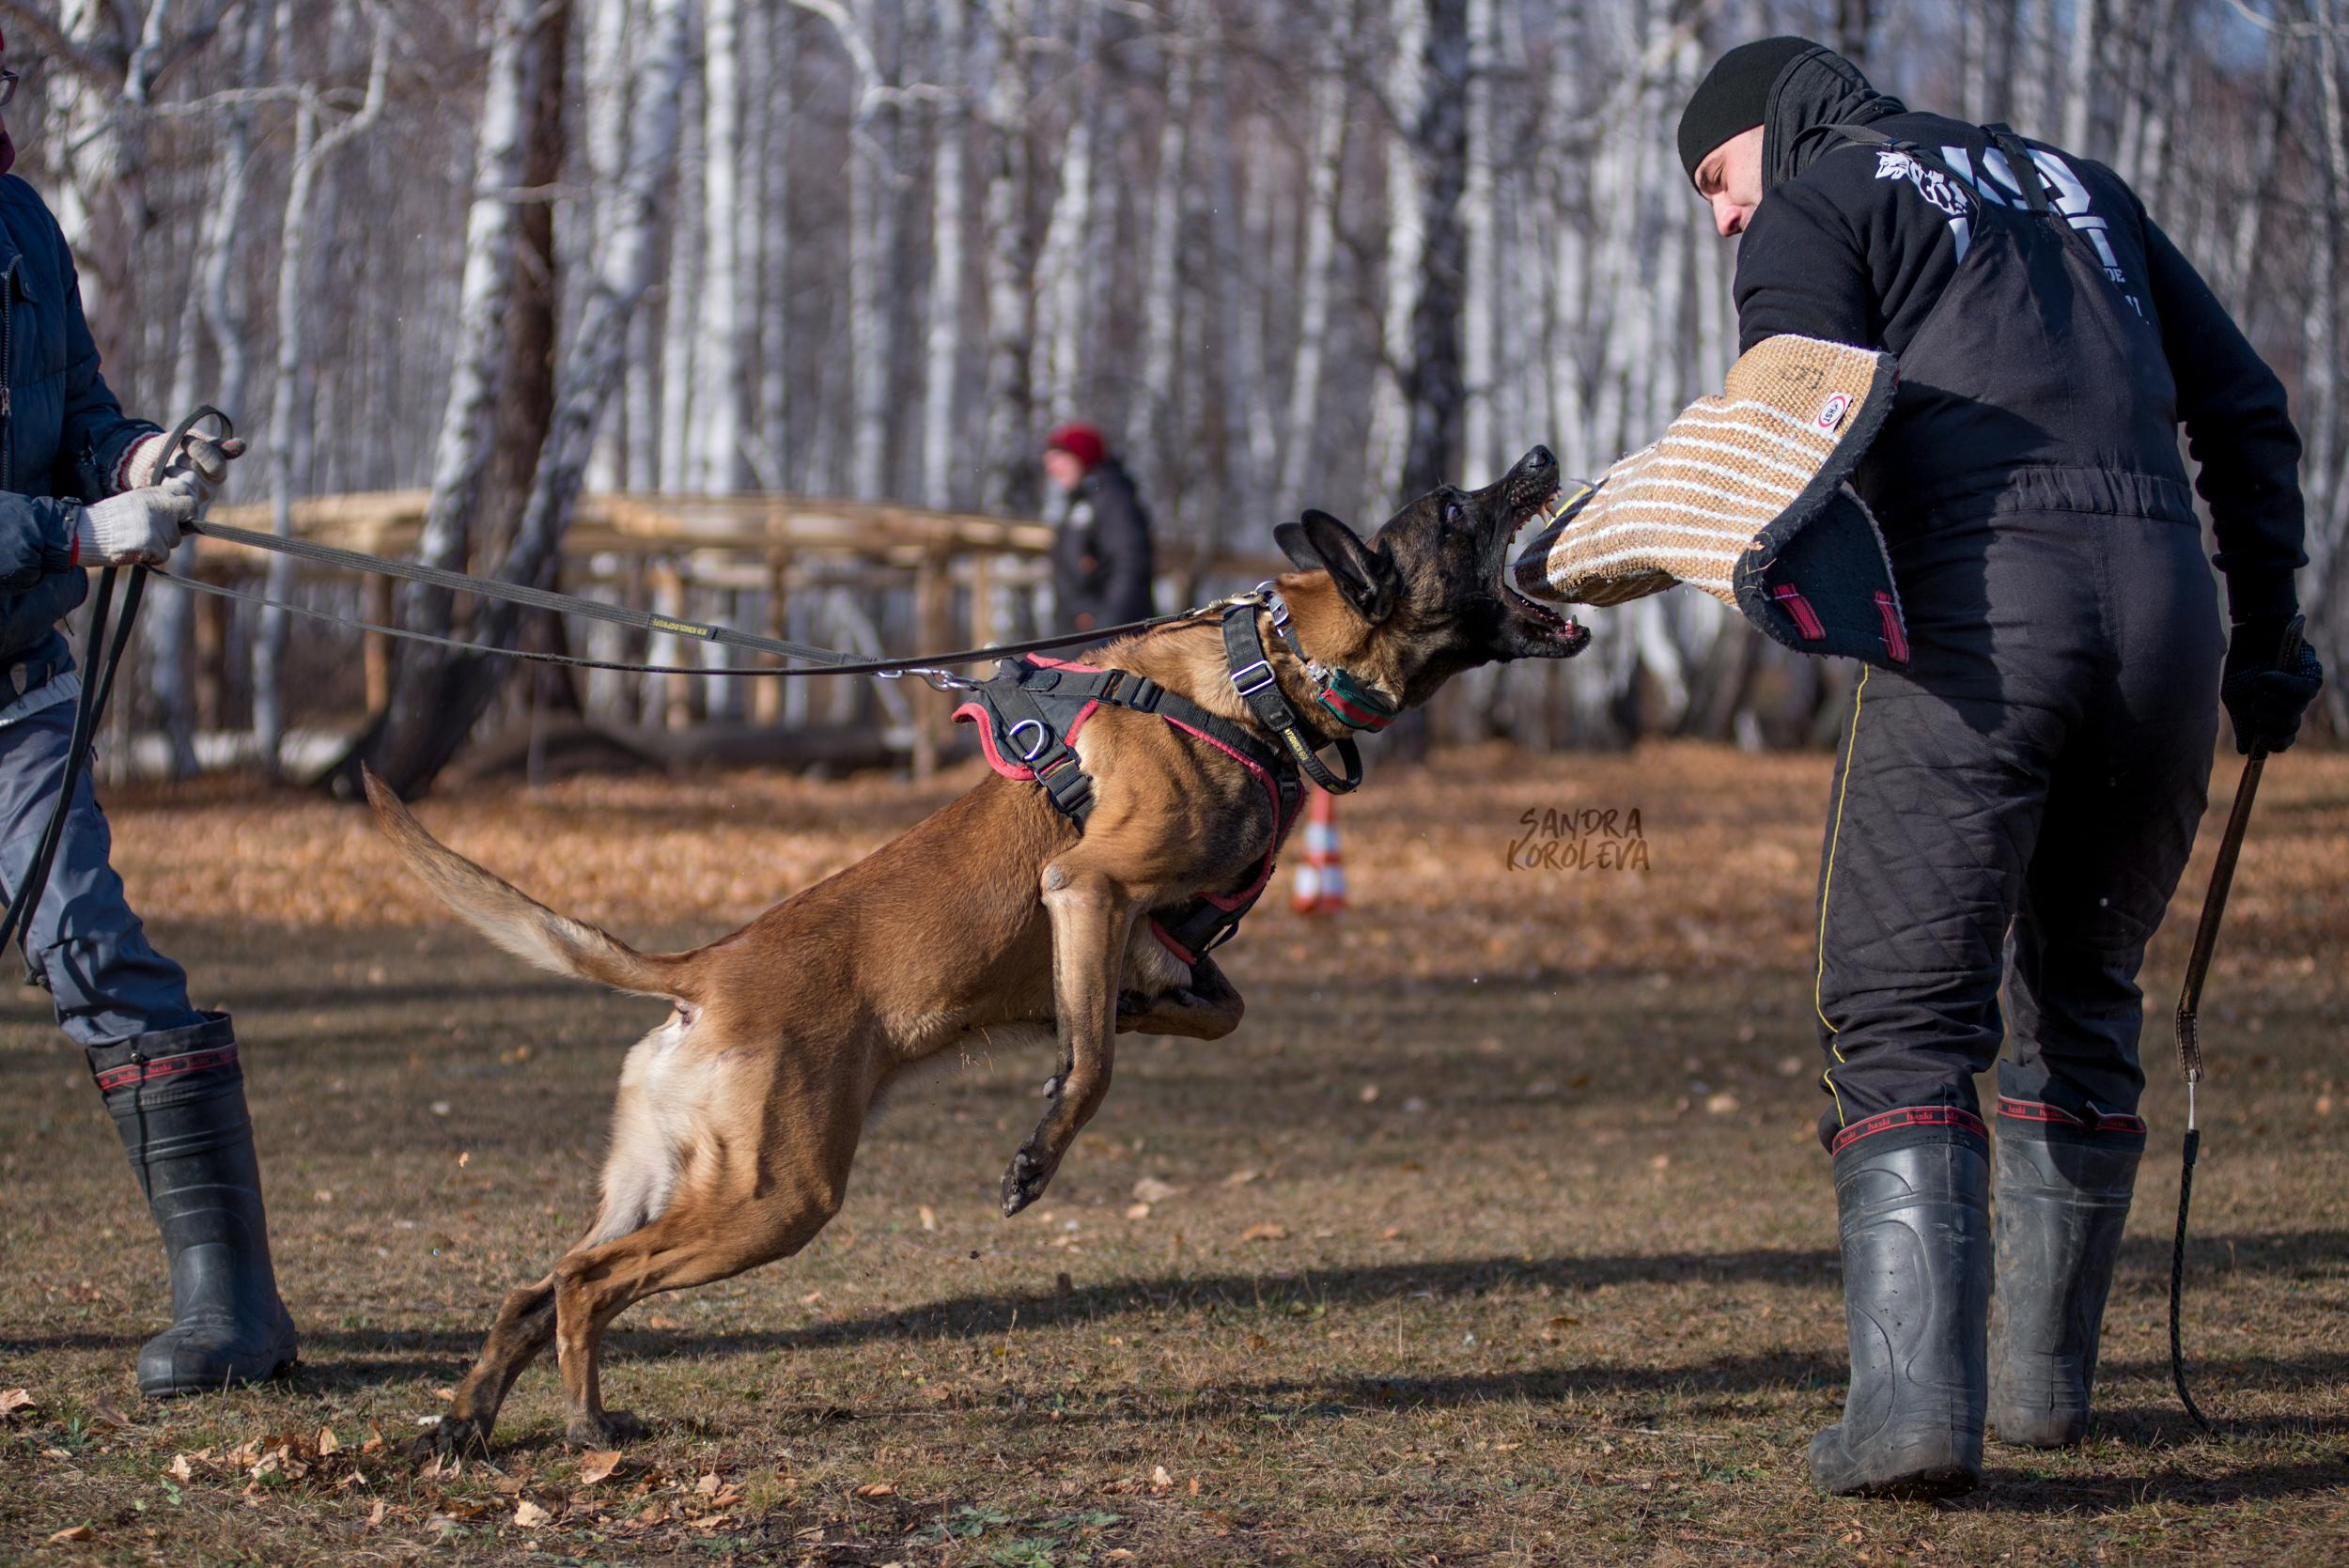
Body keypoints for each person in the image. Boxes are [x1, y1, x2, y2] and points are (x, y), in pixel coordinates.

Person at [1676, 37, 2323, 1496]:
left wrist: (1701, 545)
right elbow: (2249, 412)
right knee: (2085, 985)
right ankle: (2042, 1392)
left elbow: (1795, 411)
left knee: (1899, 1006)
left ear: (1774, 131)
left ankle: (1911, 1419)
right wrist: (2270, 641)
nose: (1723, 215)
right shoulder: (2079, 185)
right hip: (2166, 622)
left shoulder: (1823, 199)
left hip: (1986, 608)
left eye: (1716, 179)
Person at [0, 30, 293, 1396]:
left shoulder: (20, 225)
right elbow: (60, 508)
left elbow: (80, 416)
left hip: (18, 697)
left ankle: (232, 1306)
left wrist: (142, 461)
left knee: (95, 951)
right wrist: (76, 527)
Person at [1042, 422, 1155, 636]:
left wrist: (1107, 626)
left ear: (1081, 457)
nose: (1051, 468)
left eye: (1059, 459)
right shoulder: (1081, 503)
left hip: (1112, 639)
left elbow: (1130, 563)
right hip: (1078, 634)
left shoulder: (1113, 500)